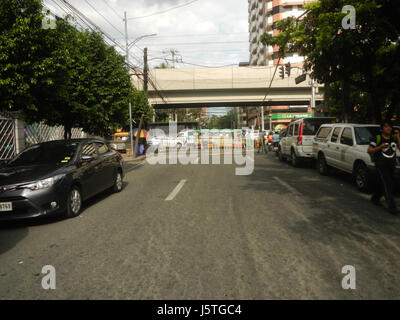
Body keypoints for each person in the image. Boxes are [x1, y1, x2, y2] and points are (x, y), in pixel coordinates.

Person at [368, 121, 400, 215]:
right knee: (387, 184)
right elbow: (369, 150)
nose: (388, 128)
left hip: (392, 164)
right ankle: (392, 207)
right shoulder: (377, 138)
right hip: (381, 165)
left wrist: (398, 137)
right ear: (382, 128)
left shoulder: (393, 138)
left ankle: (375, 198)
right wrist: (380, 146)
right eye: (386, 127)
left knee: (386, 183)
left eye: (390, 127)